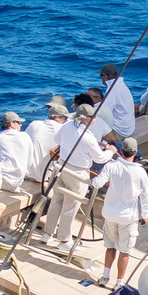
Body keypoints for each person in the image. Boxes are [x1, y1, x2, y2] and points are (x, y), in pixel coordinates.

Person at [46, 103, 114, 250]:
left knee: (56, 199)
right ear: (85, 119)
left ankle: (48, 234)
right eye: (93, 116)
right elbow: (100, 158)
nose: (95, 119)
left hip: (61, 166)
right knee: (71, 206)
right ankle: (64, 241)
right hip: (77, 174)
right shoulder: (88, 138)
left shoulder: (67, 125)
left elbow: (58, 140)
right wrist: (111, 151)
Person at [90, 136, 148, 288]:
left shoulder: (111, 166)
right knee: (124, 251)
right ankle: (119, 283)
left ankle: (105, 276)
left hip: (110, 214)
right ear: (135, 152)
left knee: (110, 246)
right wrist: (144, 215)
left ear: (121, 151)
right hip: (128, 218)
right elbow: (146, 197)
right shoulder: (140, 172)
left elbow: (97, 183)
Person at [0, 108, 40, 189]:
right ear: (12, 124)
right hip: (19, 181)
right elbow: (29, 162)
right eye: (18, 122)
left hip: (2, 182)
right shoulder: (25, 136)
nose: (21, 125)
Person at [95, 63, 134, 143]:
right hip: (129, 128)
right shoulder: (121, 85)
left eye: (101, 75)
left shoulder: (112, 89)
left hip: (120, 132)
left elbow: (105, 113)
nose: (101, 78)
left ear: (105, 76)